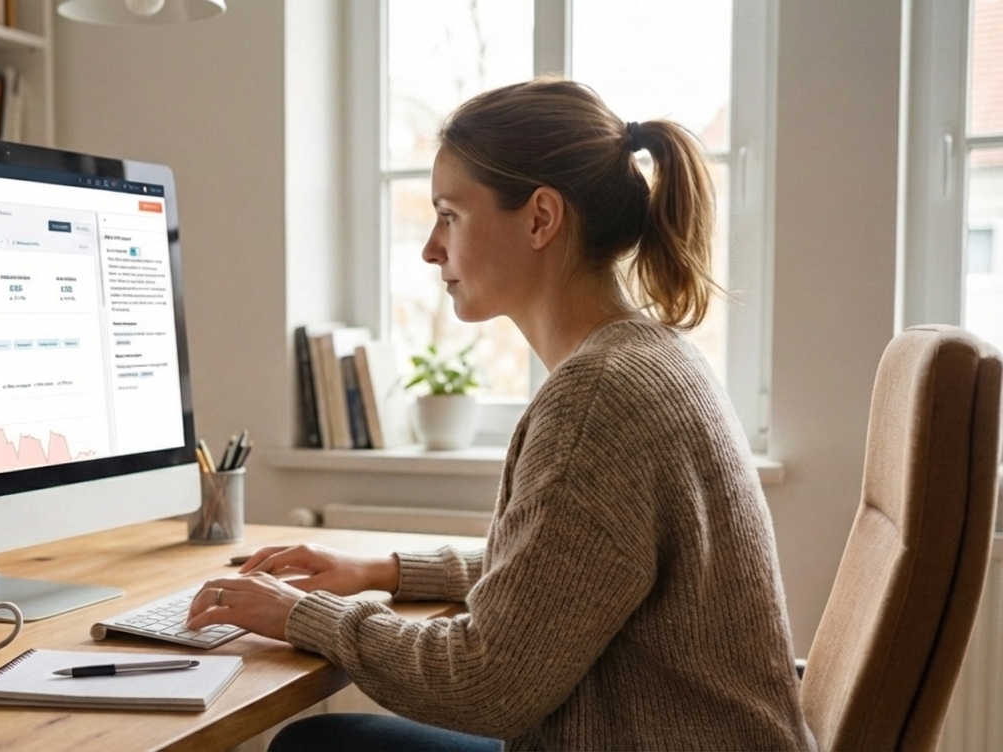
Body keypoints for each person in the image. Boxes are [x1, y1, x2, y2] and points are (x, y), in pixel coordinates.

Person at [186, 78, 815, 751]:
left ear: (541, 218)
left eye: (450, 214)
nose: (431, 248)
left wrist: (304, 615)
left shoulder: (598, 398)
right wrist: (383, 571)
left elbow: (486, 682)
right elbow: (559, 575)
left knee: (316, 747)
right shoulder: (648, 358)